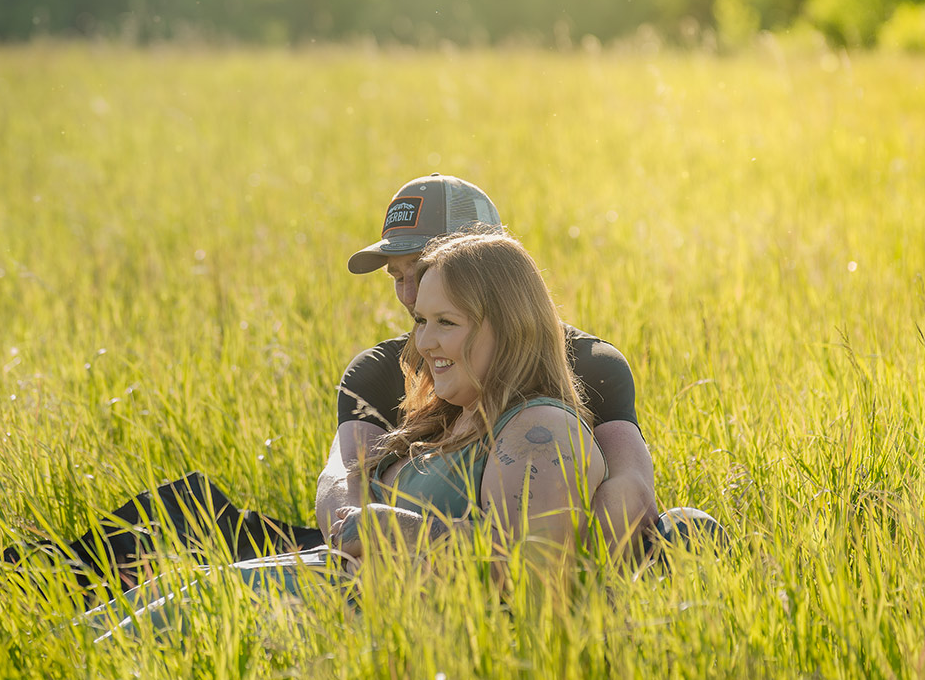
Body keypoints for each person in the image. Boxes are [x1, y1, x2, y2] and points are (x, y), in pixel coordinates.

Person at [85, 230, 606, 640]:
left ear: (511, 326)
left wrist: (395, 527)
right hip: (283, 590)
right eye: (421, 320)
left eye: (446, 322)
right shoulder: (456, 415)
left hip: (348, 619)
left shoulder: (541, 427)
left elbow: (530, 574)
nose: (424, 341)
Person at [317, 174, 656, 557]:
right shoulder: (379, 371)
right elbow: (344, 476)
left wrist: (573, 553)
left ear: (486, 261)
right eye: (398, 276)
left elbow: (630, 487)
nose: (410, 294)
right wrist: (369, 547)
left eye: (422, 266)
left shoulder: (590, 367)